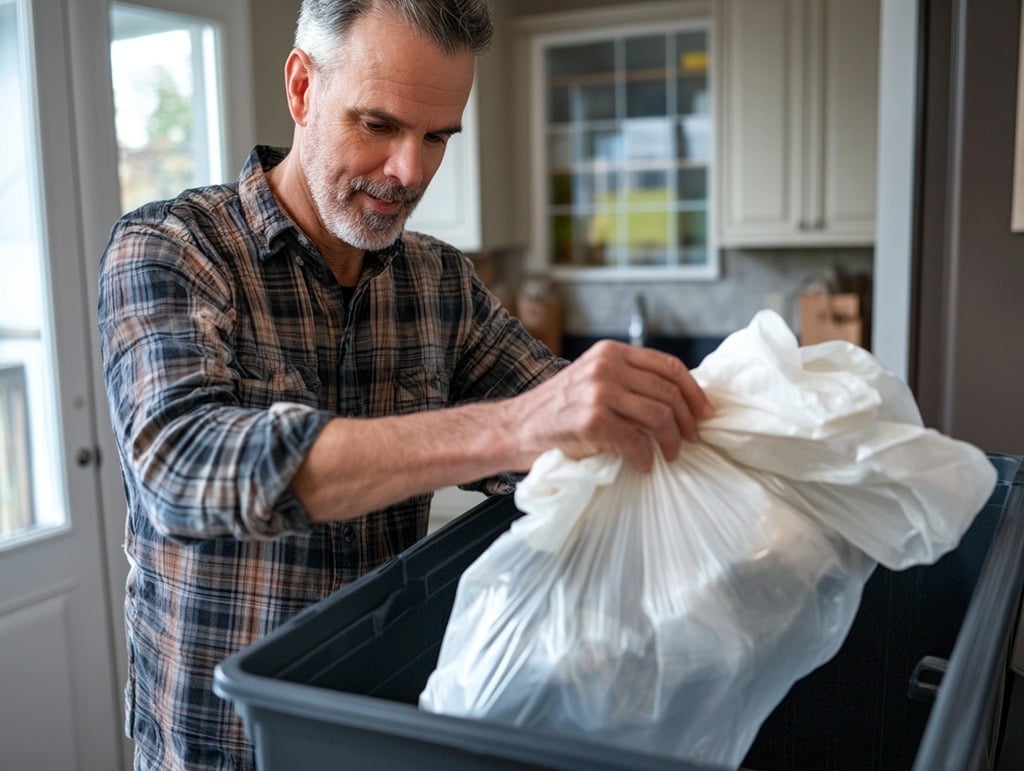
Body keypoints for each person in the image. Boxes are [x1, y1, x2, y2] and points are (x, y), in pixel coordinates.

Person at [97, 0, 714, 768]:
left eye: (437, 137)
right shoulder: (171, 249)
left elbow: (577, 441)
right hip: (223, 748)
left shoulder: (439, 282)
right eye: (379, 125)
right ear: (301, 89)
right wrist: (516, 426)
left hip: (381, 731)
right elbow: (184, 470)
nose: (410, 172)